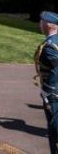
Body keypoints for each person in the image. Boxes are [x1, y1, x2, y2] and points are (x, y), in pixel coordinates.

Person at [36, 11, 58, 154]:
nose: (40, 24)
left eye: (41, 21)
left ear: (47, 24)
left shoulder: (50, 45)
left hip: (54, 94)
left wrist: (48, 90)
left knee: (55, 131)